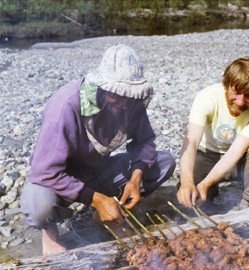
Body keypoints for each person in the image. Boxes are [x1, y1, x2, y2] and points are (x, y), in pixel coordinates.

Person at [21, 44, 175, 256]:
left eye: (128, 97)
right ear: (101, 87)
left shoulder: (130, 102)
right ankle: (51, 235)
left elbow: (145, 142)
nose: (123, 104)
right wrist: (99, 200)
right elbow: (45, 172)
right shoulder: (65, 106)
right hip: (60, 179)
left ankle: (109, 212)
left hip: (97, 171)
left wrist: (136, 178)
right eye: (117, 95)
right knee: (38, 206)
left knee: (164, 162)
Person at [177, 57, 249, 210]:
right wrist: (186, 181)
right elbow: (191, 141)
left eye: (248, 96)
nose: (240, 102)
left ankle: (248, 204)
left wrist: (206, 183)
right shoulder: (208, 97)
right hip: (207, 155)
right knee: (194, 192)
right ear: (227, 85)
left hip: (238, 159)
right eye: (237, 92)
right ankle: (208, 197)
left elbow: (235, 151)